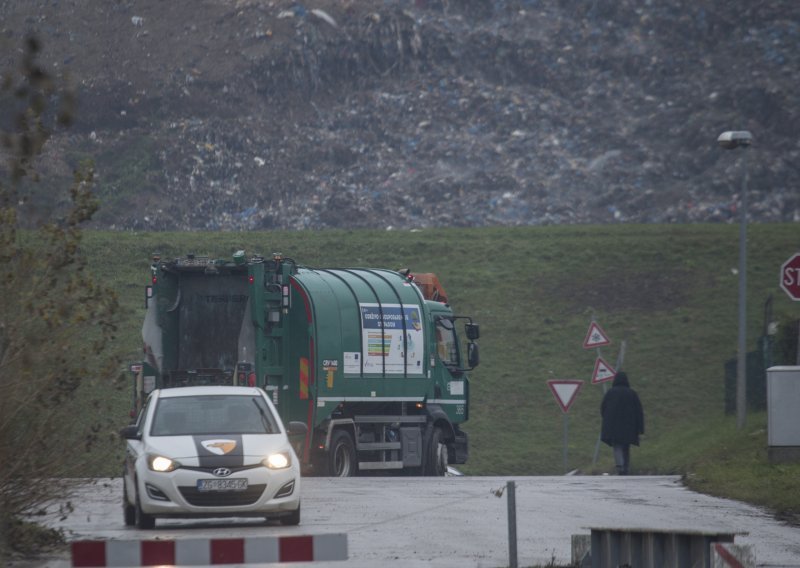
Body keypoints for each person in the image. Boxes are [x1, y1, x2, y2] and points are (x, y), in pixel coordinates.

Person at [600, 371, 644, 475]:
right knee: (626, 446)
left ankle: (620, 466)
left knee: (617, 446)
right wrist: (640, 428)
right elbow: (639, 411)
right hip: (629, 426)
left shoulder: (610, 393)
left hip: (613, 426)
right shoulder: (632, 393)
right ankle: (626, 467)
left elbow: (603, 409)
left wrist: (607, 421)